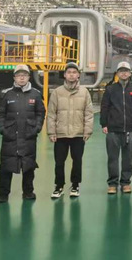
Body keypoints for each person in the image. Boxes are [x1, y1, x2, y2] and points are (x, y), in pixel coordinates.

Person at [0, 64, 45, 203]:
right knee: (6, 165)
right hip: (10, 136)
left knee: (28, 166)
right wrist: (3, 129)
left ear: (29, 77)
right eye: (19, 75)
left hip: (29, 136)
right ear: (14, 77)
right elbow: (0, 114)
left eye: (24, 75)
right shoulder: (6, 94)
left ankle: (28, 192)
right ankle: (3, 194)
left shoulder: (36, 94)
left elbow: (40, 113)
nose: (22, 78)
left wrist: (37, 128)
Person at [47, 62, 94, 199]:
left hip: (78, 133)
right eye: (69, 72)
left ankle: (75, 185)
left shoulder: (84, 92)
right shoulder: (57, 92)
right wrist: (51, 132)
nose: (71, 75)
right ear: (64, 75)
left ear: (78, 75)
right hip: (60, 134)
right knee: (59, 162)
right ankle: (59, 186)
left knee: (77, 161)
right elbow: (51, 114)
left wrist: (87, 131)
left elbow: (88, 113)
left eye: (74, 72)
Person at [100, 61, 132, 194]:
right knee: (112, 158)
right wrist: (104, 124)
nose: (124, 73)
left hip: (130, 129)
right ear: (117, 73)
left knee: (127, 158)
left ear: (130, 73)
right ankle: (112, 183)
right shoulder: (110, 89)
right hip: (113, 129)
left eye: (126, 71)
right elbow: (104, 107)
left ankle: (125, 182)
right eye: (121, 71)